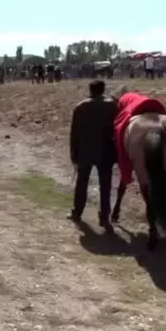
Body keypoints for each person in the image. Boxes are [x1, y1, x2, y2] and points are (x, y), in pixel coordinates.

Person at [68, 80, 118, 226]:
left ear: (90, 90)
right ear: (103, 90)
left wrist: (73, 153)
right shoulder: (112, 106)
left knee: (82, 182)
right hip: (106, 151)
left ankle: (77, 212)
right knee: (106, 185)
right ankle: (104, 217)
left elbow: (74, 133)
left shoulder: (81, 107)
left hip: (85, 151)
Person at [114, 90, 166, 187]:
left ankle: (126, 167)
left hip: (136, 108)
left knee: (119, 128)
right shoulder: (137, 97)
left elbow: (121, 115)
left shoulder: (123, 101)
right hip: (152, 105)